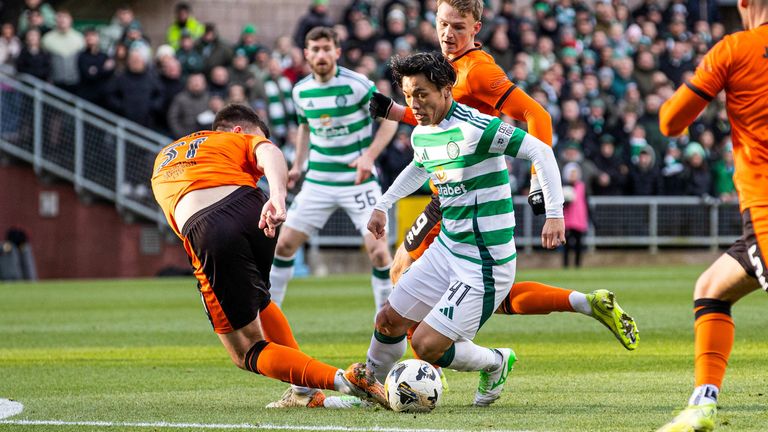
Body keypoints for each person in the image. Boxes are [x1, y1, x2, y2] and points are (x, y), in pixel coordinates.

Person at [369, 0, 638, 352]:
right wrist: (396, 111)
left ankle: (435, 369)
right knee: (475, 290)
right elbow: (440, 124)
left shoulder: (479, 71)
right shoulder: (446, 68)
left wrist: (538, 180)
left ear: (476, 28)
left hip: (468, 193)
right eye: (443, 24)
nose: (449, 34)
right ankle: (583, 302)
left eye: (459, 26)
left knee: (410, 272)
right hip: (447, 189)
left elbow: (537, 114)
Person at [350, 51, 564, 407]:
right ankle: (368, 387)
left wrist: (554, 213)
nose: (414, 104)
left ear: (446, 89)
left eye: (422, 94)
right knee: (388, 320)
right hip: (447, 249)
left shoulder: (477, 128)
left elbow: (541, 150)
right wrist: (382, 205)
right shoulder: (423, 133)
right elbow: (419, 166)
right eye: (407, 95)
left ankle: (496, 361)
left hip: (485, 262)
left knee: (427, 345)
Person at [150, 104, 388, 411]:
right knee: (260, 302)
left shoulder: (166, 153)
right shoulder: (236, 140)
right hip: (253, 209)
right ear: (239, 130)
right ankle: (303, 391)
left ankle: (345, 381)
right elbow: (271, 153)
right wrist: (276, 196)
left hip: (210, 226)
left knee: (245, 351)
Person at [656, 0, 768, 429]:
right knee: (712, 289)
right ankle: (703, 402)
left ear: (743, 3)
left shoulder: (733, 49)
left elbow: (670, 122)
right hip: (756, 221)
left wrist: (705, 81)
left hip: (763, 209)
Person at [267, 27, 398, 314]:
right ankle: (269, 318)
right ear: (306, 54)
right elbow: (304, 127)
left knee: (378, 251)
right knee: (284, 245)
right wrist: (297, 166)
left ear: (337, 52)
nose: (321, 54)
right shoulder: (301, 91)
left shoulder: (358, 85)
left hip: (358, 182)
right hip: (318, 181)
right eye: (315, 49)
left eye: (327, 49)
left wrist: (369, 157)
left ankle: (387, 323)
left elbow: (391, 119)